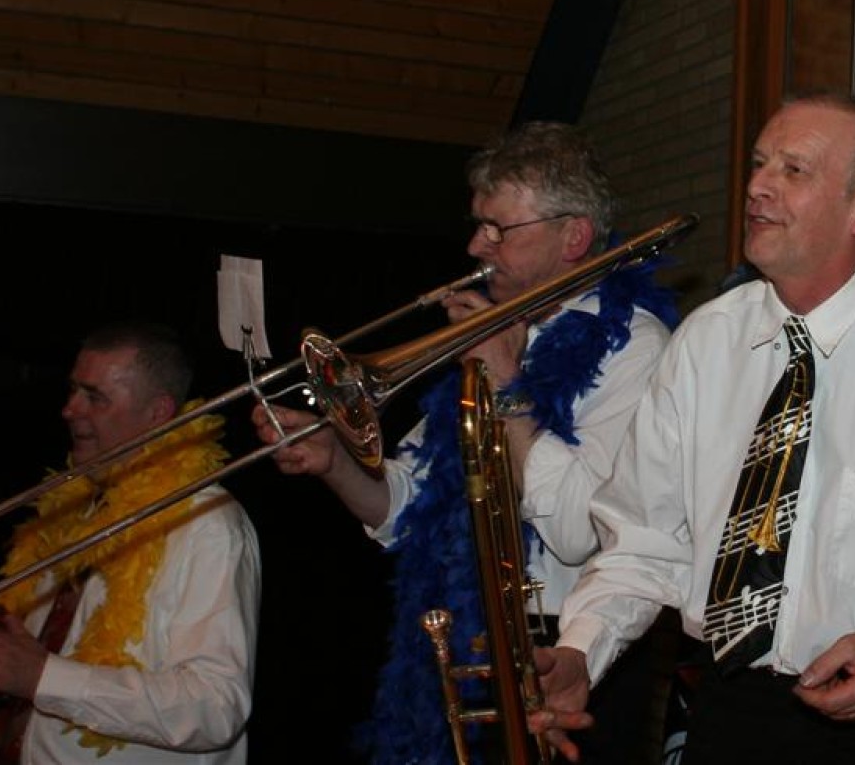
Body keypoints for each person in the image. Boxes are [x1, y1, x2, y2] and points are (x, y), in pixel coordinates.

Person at [527, 92, 855, 764]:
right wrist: (581, 649)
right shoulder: (705, 342)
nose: (757, 186)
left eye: (793, 170)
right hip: (722, 708)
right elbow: (642, 541)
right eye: (758, 164)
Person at [254, 121, 677, 765]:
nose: (477, 245)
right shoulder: (488, 333)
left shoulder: (635, 347)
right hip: (460, 635)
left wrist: (508, 386)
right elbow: (409, 505)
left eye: (499, 229)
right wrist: (335, 462)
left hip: (568, 655)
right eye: (479, 225)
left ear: (574, 237)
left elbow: (577, 529)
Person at [0, 322, 260, 764]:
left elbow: (216, 708)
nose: (69, 409)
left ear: (157, 413)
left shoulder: (208, 524)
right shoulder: (78, 507)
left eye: (95, 397)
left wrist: (44, 676)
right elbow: (50, 648)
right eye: (73, 390)